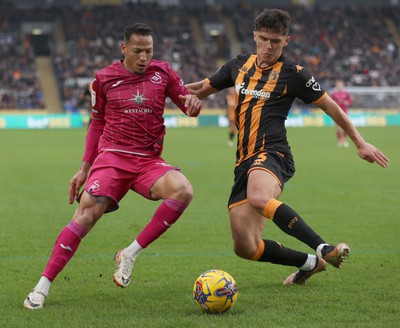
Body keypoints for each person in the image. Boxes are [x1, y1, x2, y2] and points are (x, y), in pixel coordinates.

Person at [187, 9, 389, 286]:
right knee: (245, 247)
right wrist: (160, 91)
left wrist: (360, 142)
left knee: (259, 198)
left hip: (273, 153)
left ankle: (324, 248)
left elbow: (330, 106)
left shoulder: (294, 74)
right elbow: (201, 88)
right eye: (264, 39)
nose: (269, 47)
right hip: (243, 161)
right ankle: (310, 263)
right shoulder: (238, 65)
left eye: (276, 41)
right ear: (254, 36)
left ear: (286, 41)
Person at [24, 23, 202, 310]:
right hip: (113, 159)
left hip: (148, 160)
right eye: (137, 51)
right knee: (86, 214)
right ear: (124, 49)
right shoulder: (103, 79)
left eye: (149, 51)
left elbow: (188, 104)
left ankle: (129, 254)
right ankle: (42, 286)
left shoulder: (164, 72)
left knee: (183, 190)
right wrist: (84, 168)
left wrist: (193, 103)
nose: (144, 57)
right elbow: (96, 123)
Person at [331, 79, 353, 147]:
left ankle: (345, 140)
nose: (340, 86)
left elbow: (350, 100)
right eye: (338, 85)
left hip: (344, 112)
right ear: (337, 86)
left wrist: (347, 102)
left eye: (341, 85)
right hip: (337, 112)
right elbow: (331, 101)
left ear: (342, 85)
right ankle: (340, 141)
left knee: (346, 126)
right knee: (338, 127)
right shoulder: (334, 94)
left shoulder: (346, 93)